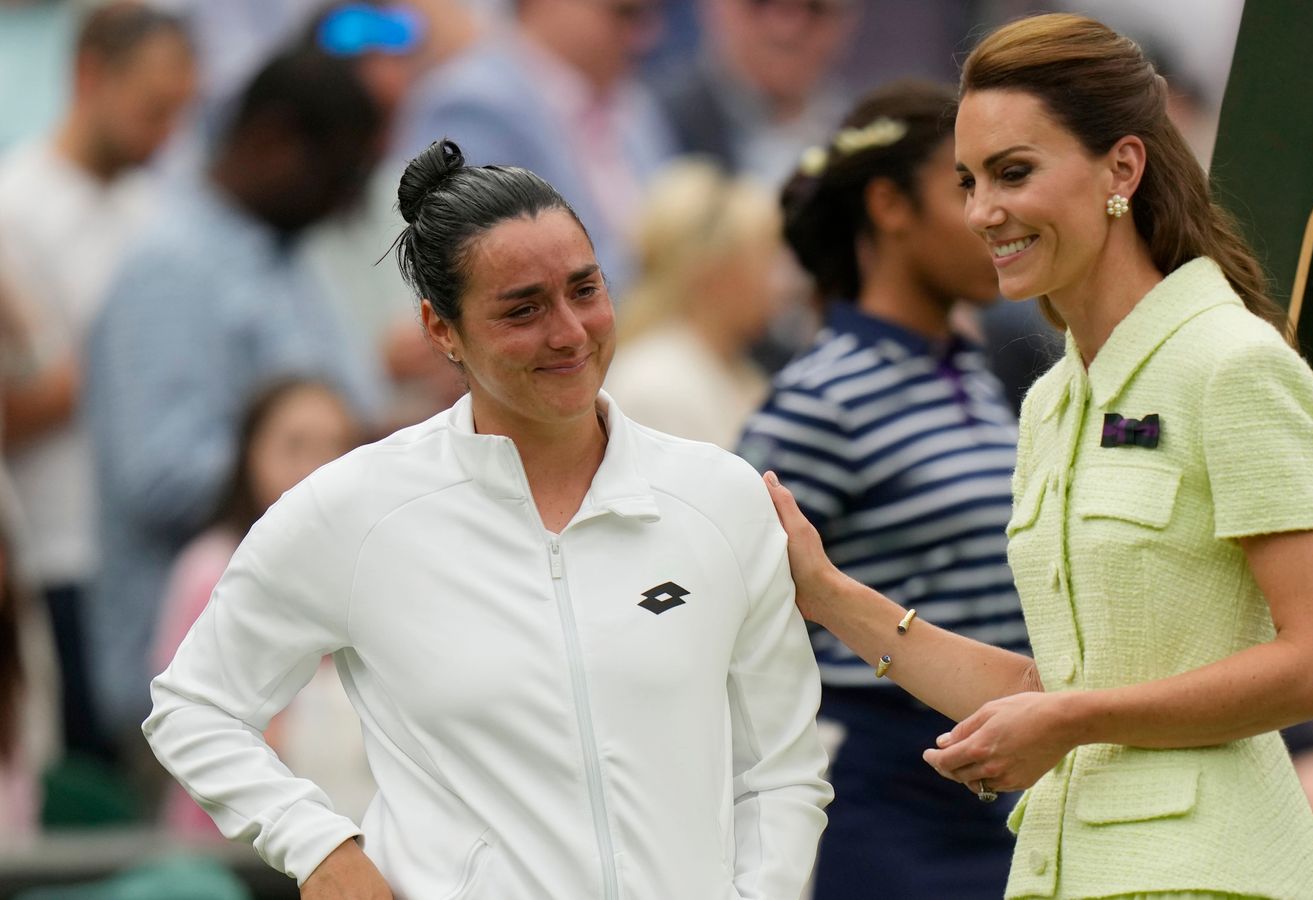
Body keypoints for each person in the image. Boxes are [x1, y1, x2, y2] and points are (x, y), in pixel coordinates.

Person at [761, 14, 1313, 898]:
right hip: (1068, 867)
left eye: (1014, 173)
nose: (982, 213)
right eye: (968, 181)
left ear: (1123, 167)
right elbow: (1052, 691)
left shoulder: (1233, 365)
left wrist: (1073, 718)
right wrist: (828, 596)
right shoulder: (1052, 400)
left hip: (1213, 874)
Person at [144, 139, 831, 899]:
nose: (570, 331)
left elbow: (781, 769)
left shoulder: (719, 497)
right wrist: (324, 849)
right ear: (441, 329)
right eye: (523, 309)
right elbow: (194, 705)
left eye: (585, 288)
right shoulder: (358, 509)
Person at [735, 79, 1028, 897]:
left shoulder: (970, 368)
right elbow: (733, 593)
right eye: (963, 185)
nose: (988, 215)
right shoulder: (819, 396)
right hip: (889, 810)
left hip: (1003, 796)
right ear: (890, 206)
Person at [83, 45, 385, 757]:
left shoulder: (288, 257)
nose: (348, 204)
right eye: (342, 175)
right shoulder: (172, 267)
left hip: (304, 674)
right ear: (275, 139)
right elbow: (158, 472)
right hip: (194, 682)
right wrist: (320, 469)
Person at [0, 0, 196, 761]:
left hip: (139, 554)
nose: (166, 134)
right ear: (90, 77)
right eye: (153, 109)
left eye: (180, 114)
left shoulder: (155, 210)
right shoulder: (14, 207)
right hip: (50, 543)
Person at [149, 378, 366, 837]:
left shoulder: (371, 569)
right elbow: (189, 712)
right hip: (235, 838)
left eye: (337, 447)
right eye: (295, 446)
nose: (316, 466)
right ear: (250, 453)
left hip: (350, 830)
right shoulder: (210, 569)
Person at [394, 0, 677, 293]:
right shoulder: (473, 106)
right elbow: (498, 277)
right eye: (625, 13)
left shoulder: (633, 103)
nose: (647, 36)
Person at [604, 158, 783, 449]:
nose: (781, 283)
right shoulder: (656, 386)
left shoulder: (737, 372)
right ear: (714, 271)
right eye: (767, 259)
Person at [654, 0, 859, 188]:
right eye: (762, 3)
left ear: (848, 20)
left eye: (814, 8)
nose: (786, 29)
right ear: (713, 6)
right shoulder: (651, 122)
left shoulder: (863, 130)